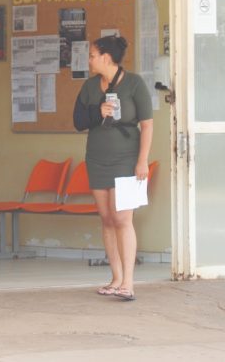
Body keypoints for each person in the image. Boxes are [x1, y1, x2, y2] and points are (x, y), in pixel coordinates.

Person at [73, 35, 153, 301]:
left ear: (106, 57)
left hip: (126, 159)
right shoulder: (90, 86)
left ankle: (129, 282)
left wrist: (142, 160)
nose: (90, 60)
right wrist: (99, 111)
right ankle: (115, 277)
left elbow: (147, 124)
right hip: (96, 158)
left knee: (122, 219)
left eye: (93, 55)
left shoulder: (134, 84)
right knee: (107, 219)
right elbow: (78, 121)